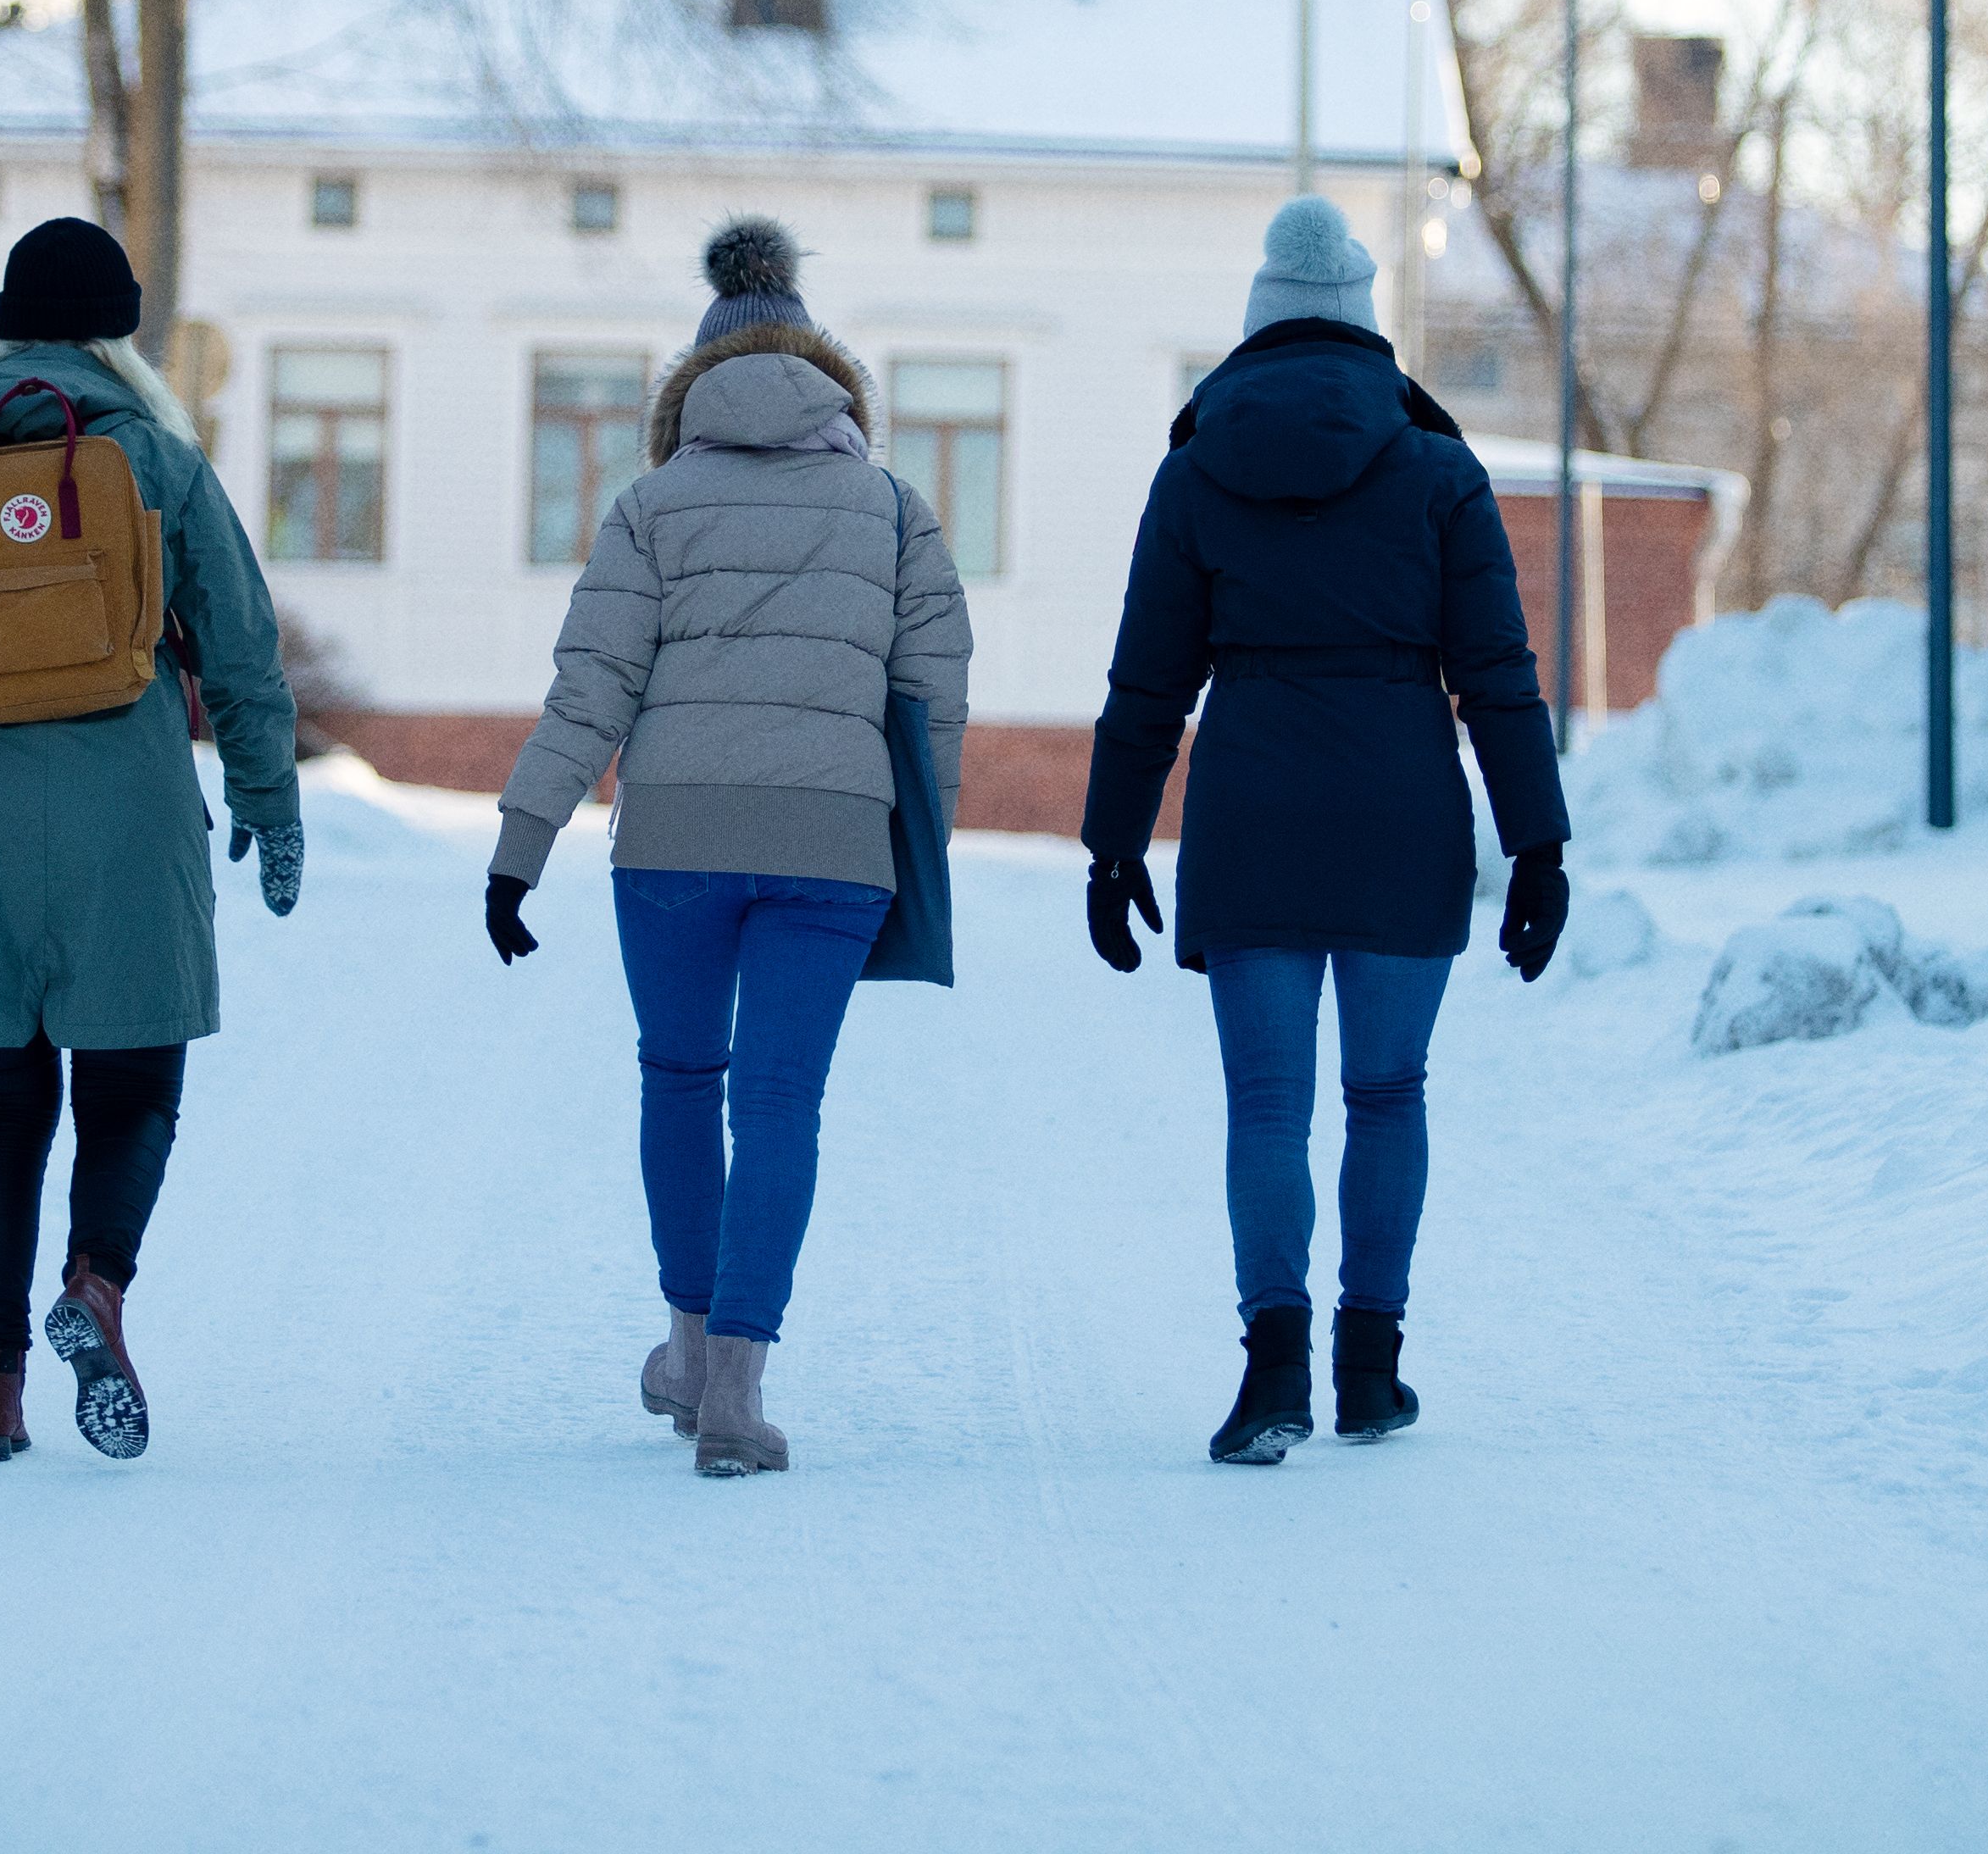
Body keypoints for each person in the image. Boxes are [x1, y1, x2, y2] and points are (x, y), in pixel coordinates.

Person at [1079, 193, 1573, 1465]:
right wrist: (1539, 844)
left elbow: (1148, 685)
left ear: (1259, 327)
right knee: (1388, 1093)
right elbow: (1499, 676)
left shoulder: (1194, 471)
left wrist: (1113, 842)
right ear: (1365, 325)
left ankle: (1271, 1374)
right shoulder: (1440, 471)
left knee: (1265, 1105)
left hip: (1252, 811)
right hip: (1404, 807)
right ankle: (1371, 1369)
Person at [484, 218, 971, 1477]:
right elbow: (933, 700)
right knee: (781, 1103)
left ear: (687, 395)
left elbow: (588, 686)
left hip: (676, 843)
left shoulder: (651, 504)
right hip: (833, 846)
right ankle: (738, 1396)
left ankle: (689, 1351)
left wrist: (520, 846)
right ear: (833, 387)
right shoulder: (895, 509)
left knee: (681, 1079)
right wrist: (922, 847)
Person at [0, 215, 305, 1468]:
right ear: (119, 330)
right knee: (134, 1087)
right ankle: (95, 1286)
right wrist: (270, 806)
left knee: (0, 1110)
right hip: (129, 816)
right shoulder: (155, 457)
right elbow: (245, 655)